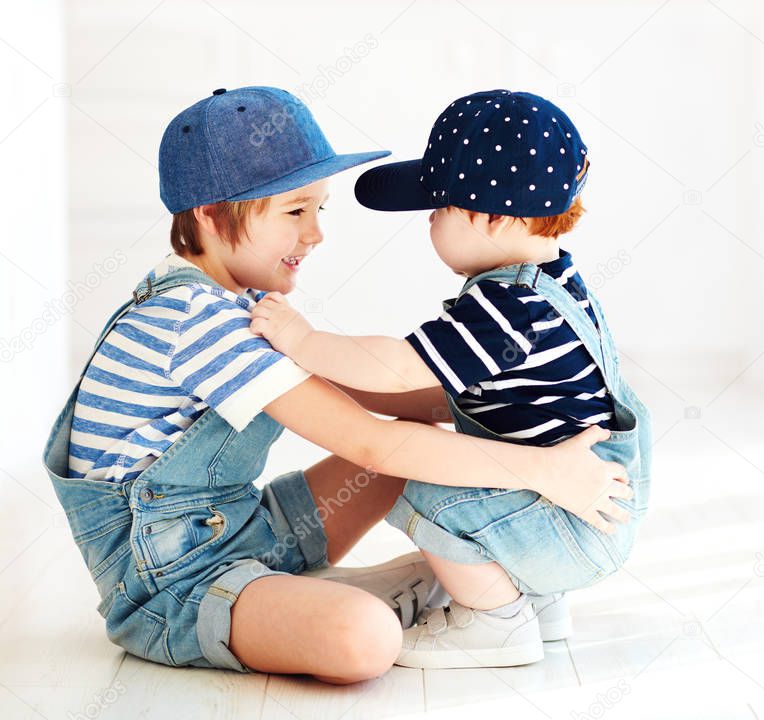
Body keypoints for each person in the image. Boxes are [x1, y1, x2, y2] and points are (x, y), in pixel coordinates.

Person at [42, 86, 632, 683]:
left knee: (415, 439)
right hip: (173, 588)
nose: (317, 233)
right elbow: (366, 444)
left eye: (319, 210)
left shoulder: (235, 303)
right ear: (210, 214)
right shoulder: (194, 321)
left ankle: (435, 581)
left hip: (248, 531)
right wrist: (542, 471)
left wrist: (510, 410)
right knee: (364, 639)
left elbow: (370, 397)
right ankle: (376, 598)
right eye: (295, 212)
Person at [249, 89, 652, 669]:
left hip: (568, 523)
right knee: (482, 454)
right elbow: (426, 391)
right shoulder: (556, 281)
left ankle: (494, 623)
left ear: (494, 216)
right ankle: (540, 606)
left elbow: (397, 365)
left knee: (424, 483)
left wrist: (302, 340)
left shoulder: (506, 307)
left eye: (437, 209)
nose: (429, 223)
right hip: (586, 509)